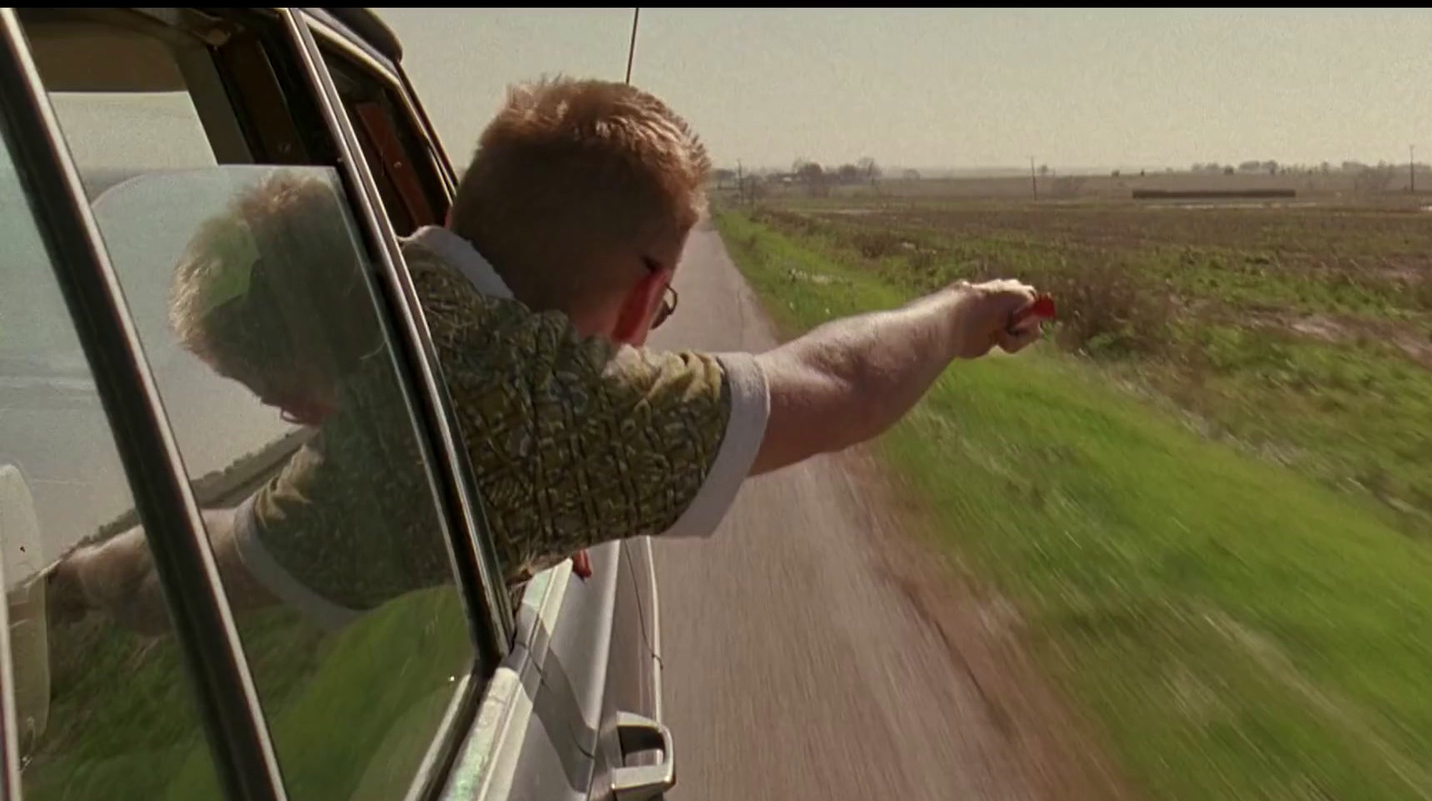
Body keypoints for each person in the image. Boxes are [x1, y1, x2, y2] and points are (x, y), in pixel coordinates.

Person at [47, 76, 1047, 631]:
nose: (280, 417)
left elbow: (186, 562)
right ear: (649, 288)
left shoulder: (401, 310)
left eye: (263, 387)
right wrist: (968, 309)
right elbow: (839, 386)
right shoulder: (541, 406)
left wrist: (66, 578)